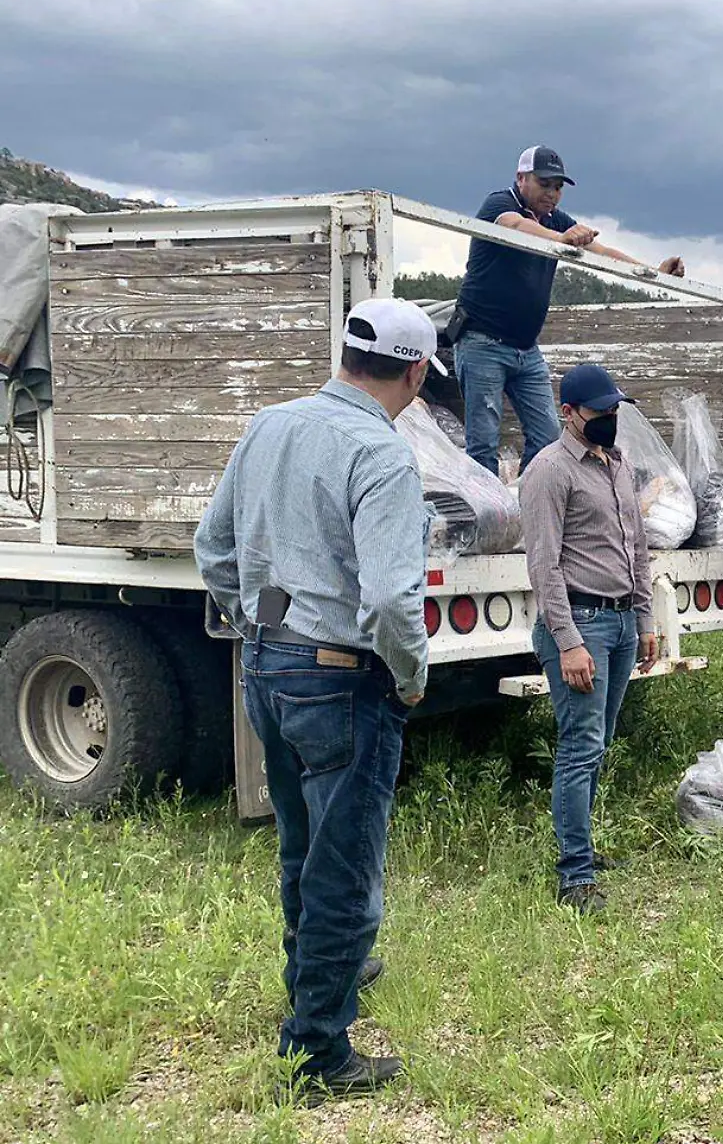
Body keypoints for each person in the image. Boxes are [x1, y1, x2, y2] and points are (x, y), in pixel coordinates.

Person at [193, 298, 440, 1102]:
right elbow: (393, 604)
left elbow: (213, 546)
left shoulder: (270, 424)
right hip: (342, 676)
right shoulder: (384, 455)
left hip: (268, 664)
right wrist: (409, 674)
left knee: (303, 845)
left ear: (346, 354)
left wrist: (256, 624)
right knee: (343, 866)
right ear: (412, 371)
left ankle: (315, 984)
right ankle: (317, 1051)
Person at [519, 365, 660, 915]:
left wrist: (645, 622)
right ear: (569, 412)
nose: (609, 418)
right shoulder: (549, 471)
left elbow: (638, 549)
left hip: (622, 623)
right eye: (599, 410)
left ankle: (582, 848)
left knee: (597, 743)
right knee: (580, 747)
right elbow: (544, 565)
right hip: (581, 624)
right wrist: (568, 640)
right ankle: (574, 876)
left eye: (614, 409)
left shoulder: (616, 465)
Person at [451, 146, 684, 478]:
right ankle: (484, 521)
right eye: (545, 184)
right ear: (521, 178)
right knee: (483, 443)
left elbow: (601, 250)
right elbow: (514, 227)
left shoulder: (555, 220)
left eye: (558, 187)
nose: (553, 194)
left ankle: (526, 503)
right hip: (483, 340)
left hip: (524, 347)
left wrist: (652, 271)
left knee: (547, 436)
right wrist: (562, 239)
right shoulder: (500, 204)